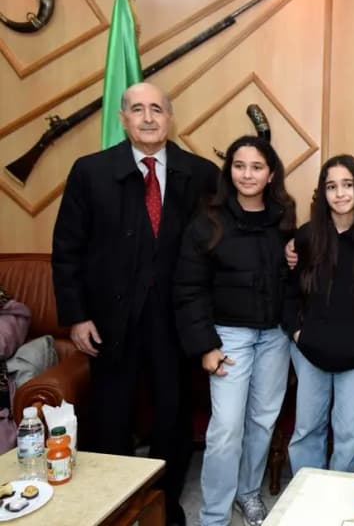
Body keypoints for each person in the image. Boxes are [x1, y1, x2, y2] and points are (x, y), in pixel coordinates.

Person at [51, 82, 218, 525]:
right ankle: (116, 506)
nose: (148, 118)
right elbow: (67, 249)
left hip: (174, 322)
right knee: (112, 417)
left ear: (170, 119)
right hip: (109, 322)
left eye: (157, 109)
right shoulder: (90, 171)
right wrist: (76, 317)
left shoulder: (201, 173)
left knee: (172, 418)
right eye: (138, 109)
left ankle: (165, 504)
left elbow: (226, 239)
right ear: (122, 118)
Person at [174, 135, 295, 526]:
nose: (247, 174)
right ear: (229, 172)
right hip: (228, 339)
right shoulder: (208, 220)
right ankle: (213, 515)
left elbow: (293, 279)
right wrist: (205, 346)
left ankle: (248, 492)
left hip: (274, 337)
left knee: (262, 420)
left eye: (257, 167)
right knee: (226, 428)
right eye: (239, 166)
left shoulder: (284, 218)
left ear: (271, 174)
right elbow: (188, 288)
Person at [283, 154, 354, 474]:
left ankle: (341, 498)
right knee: (308, 429)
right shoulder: (306, 237)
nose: (340, 193)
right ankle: (307, 494)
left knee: (350, 433)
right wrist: (298, 333)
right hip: (310, 348)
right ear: (322, 192)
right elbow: (288, 292)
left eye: (347, 185)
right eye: (331, 186)